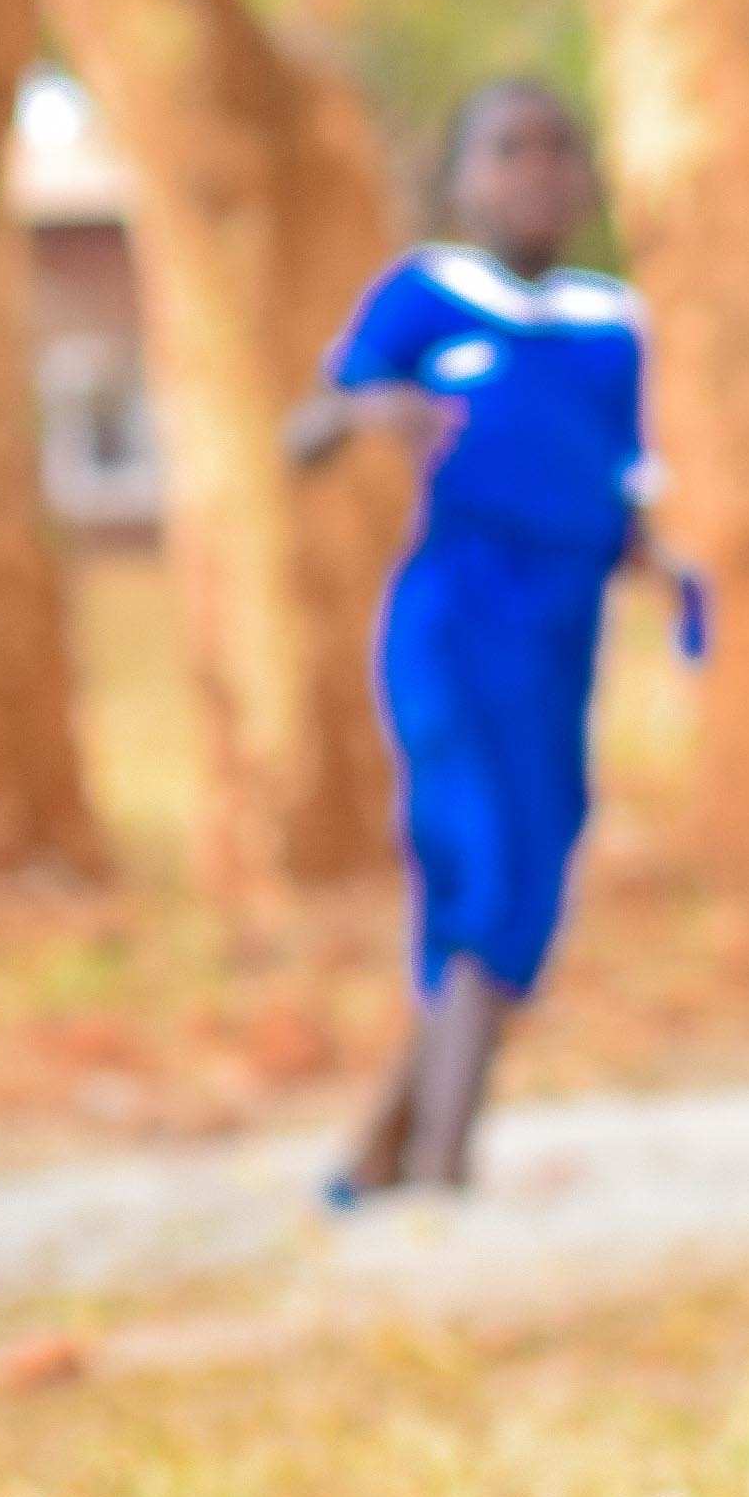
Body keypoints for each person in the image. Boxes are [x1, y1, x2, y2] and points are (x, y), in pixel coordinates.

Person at [289, 80, 686, 1201]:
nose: (539, 172)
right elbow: (303, 430)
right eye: (510, 150)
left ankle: (378, 1150)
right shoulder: (422, 296)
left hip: (560, 644)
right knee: (480, 856)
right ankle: (442, 1164)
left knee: (538, 874)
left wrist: (660, 558)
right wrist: (366, 412)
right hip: (453, 626)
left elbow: (613, 492)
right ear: (465, 176)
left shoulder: (614, 327)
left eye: (561, 150)